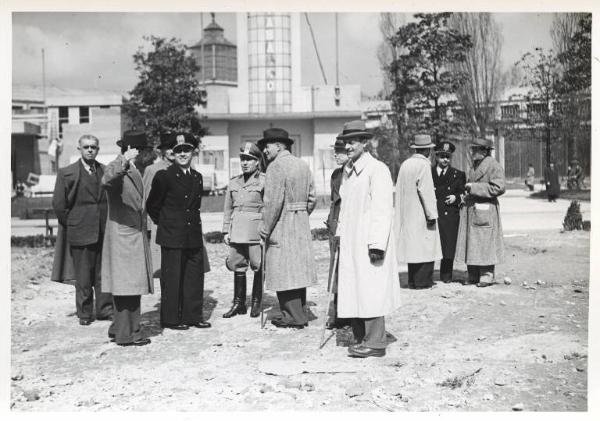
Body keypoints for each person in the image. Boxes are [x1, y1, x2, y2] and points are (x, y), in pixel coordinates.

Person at [335, 120, 401, 358]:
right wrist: (340, 233)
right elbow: (345, 208)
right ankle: (361, 335)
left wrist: (377, 245)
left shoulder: (377, 170)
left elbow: (383, 211)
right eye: (346, 142)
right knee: (355, 287)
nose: (348, 146)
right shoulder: (349, 171)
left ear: (364, 142)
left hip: (369, 241)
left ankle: (376, 342)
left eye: (353, 141)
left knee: (371, 288)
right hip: (352, 240)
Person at [146, 133, 211, 330]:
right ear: (172, 154)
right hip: (172, 235)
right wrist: (167, 223)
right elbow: (152, 206)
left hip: (192, 234)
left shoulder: (197, 177)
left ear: (193, 152)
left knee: (194, 276)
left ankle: (193, 316)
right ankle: (172, 319)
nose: (183, 154)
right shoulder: (163, 176)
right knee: (172, 278)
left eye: (187, 150)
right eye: (178, 151)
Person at [258, 128, 317, 329]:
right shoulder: (303, 165)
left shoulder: (275, 167)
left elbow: (272, 203)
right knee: (297, 270)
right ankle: (299, 311)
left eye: (267, 146)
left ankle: (293, 316)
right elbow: (312, 198)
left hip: (282, 224)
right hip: (300, 223)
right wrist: (299, 215)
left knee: (284, 270)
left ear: (278, 146)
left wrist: (264, 229)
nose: (265, 151)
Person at [101, 130, 156, 346]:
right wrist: (123, 160)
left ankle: (118, 328)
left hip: (133, 235)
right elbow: (107, 181)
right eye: (143, 150)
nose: (146, 155)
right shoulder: (119, 166)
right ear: (133, 150)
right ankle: (129, 334)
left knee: (130, 286)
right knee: (127, 287)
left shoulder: (134, 169)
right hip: (124, 236)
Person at [51, 134, 113, 325]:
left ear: (98, 149)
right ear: (79, 149)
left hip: (103, 231)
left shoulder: (105, 171)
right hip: (80, 231)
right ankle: (85, 314)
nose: (89, 150)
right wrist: (73, 223)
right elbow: (59, 205)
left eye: (93, 147)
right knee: (84, 276)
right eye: (86, 147)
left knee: (103, 273)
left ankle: (105, 310)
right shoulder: (66, 173)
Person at [221, 142, 265, 319]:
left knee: (258, 264)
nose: (245, 163)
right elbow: (227, 208)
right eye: (242, 159)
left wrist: (265, 232)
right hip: (237, 230)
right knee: (237, 264)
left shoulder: (264, 180)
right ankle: (239, 303)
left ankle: (256, 302)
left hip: (255, 230)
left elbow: (268, 207)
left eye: (249, 159)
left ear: (257, 162)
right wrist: (225, 230)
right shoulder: (234, 182)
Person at [454, 137, 506, 287]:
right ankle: (473, 275)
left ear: (484, 151)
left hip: (485, 210)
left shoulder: (493, 166)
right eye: (472, 149)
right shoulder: (475, 165)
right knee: (472, 242)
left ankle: (487, 275)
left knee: (485, 243)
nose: (472, 152)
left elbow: (499, 188)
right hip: (473, 209)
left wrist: (475, 188)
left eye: (475, 149)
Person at [395, 134, 442, 289]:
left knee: (413, 247)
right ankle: (423, 281)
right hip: (421, 212)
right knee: (425, 246)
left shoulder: (405, 164)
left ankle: (413, 280)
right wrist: (432, 214)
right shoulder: (424, 165)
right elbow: (426, 192)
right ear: (428, 150)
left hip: (407, 213)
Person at [324, 138, 351, 330]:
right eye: (335, 151)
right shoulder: (335, 175)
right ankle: (339, 315)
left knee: (350, 271)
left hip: (350, 228)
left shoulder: (355, 175)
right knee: (336, 272)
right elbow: (334, 202)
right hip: (335, 228)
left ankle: (352, 315)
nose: (335, 154)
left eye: (339, 151)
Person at [432, 141, 466, 283]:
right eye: (442, 156)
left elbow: (464, 193)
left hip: (450, 215)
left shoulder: (458, 174)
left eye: (448, 157)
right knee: (431, 245)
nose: (445, 160)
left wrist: (456, 197)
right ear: (436, 156)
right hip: (433, 214)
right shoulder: (428, 172)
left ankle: (446, 276)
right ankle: (427, 274)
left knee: (448, 246)